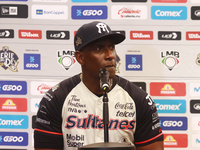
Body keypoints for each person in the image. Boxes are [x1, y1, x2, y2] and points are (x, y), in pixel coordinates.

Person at [34, 21, 164, 150]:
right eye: (99, 49)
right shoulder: (56, 98)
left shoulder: (139, 99)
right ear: (80, 58)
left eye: (112, 47)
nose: (110, 56)